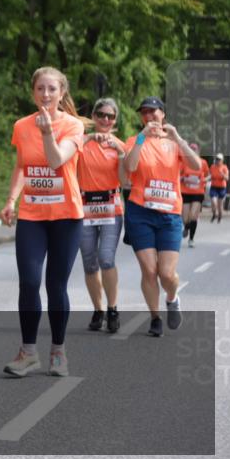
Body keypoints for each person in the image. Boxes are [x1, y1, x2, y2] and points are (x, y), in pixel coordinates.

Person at [0, 67, 84, 377]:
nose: (46, 95)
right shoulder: (21, 126)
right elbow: (22, 165)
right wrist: (11, 200)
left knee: (56, 285)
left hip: (66, 217)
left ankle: (58, 351)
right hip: (32, 215)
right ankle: (28, 353)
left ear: (61, 93)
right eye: (40, 89)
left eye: (52, 89)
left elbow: (55, 160)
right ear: (32, 92)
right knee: (30, 282)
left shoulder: (73, 126)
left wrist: (48, 132)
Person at [123, 97, 201, 337]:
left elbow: (196, 165)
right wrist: (141, 138)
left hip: (169, 215)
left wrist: (177, 138)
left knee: (166, 274)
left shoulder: (174, 142)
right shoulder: (134, 140)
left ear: (163, 114)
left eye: (153, 112)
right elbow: (130, 168)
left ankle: (172, 297)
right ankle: (155, 318)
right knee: (149, 270)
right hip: (140, 212)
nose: (148, 116)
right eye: (144, 113)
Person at [76, 98, 127, 334]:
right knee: (89, 263)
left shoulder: (120, 145)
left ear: (115, 120)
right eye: (101, 115)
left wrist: (120, 154)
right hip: (85, 206)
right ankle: (98, 310)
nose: (106, 120)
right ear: (94, 117)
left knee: (106, 258)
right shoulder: (82, 141)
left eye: (110, 116)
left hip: (110, 208)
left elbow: (125, 181)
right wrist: (87, 138)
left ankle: (113, 308)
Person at [179, 143, 209, 247]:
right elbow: (178, 175)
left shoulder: (203, 162)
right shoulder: (184, 162)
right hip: (185, 192)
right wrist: (182, 178)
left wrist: (202, 180)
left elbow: (208, 176)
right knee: (185, 218)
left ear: (198, 151)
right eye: (191, 149)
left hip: (198, 192)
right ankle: (186, 227)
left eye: (194, 149)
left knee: (193, 216)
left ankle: (191, 239)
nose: (193, 150)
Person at [209, 153, 230, 223]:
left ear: (222, 160)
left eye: (219, 159)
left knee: (220, 205)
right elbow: (210, 175)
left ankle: (220, 216)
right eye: (216, 159)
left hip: (222, 188)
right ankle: (214, 214)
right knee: (213, 202)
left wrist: (223, 174)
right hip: (214, 187)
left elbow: (227, 178)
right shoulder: (212, 167)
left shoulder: (224, 167)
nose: (217, 160)